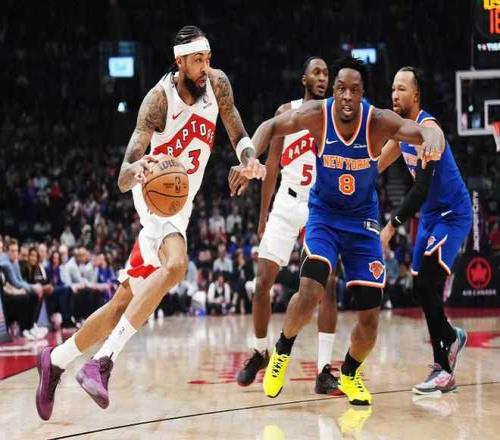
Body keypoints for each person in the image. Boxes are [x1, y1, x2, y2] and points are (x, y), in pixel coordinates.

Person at [35, 25, 265, 421]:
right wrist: (138, 168)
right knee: (177, 264)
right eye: (198, 60)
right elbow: (123, 175)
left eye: (208, 58)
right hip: (155, 197)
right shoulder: (158, 100)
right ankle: (102, 362)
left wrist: (249, 159)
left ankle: (55, 360)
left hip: (182, 204)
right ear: (180, 61)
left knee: (121, 304)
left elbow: (237, 130)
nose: (205, 66)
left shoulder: (218, 83)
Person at [250, 56, 443, 406]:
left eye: (354, 90)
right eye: (341, 89)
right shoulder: (317, 115)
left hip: (362, 223)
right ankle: (282, 350)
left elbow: (421, 129)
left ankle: (350, 371)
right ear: (335, 91)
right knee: (311, 289)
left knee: (370, 318)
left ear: (362, 93)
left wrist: (433, 138)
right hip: (324, 217)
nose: (347, 96)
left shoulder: (378, 121)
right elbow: (271, 126)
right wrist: (249, 156)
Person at [234, 57, 339, 395]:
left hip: (318, 206)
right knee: (262, 282)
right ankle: (260, 351)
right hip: (286, 202)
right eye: (316, 72)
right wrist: (263, 217)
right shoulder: (286, 111)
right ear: (303, 78)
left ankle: (324, 369)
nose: (322, 77)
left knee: (328, 286)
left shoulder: (333, 115)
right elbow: (273, 165)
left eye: (326, 73)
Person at [378, 67, 471, 394]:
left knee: (429, 282)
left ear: (416, 95)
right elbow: (374, 164)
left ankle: (444, 370)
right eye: (393, 88)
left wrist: (390, 227)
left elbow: (420, 189)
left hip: (452, 213)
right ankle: (451, 337)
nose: (395, 94)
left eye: (402, 89)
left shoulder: (430, 131)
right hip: (431, 215)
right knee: (420, 286)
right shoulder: (401, 133)